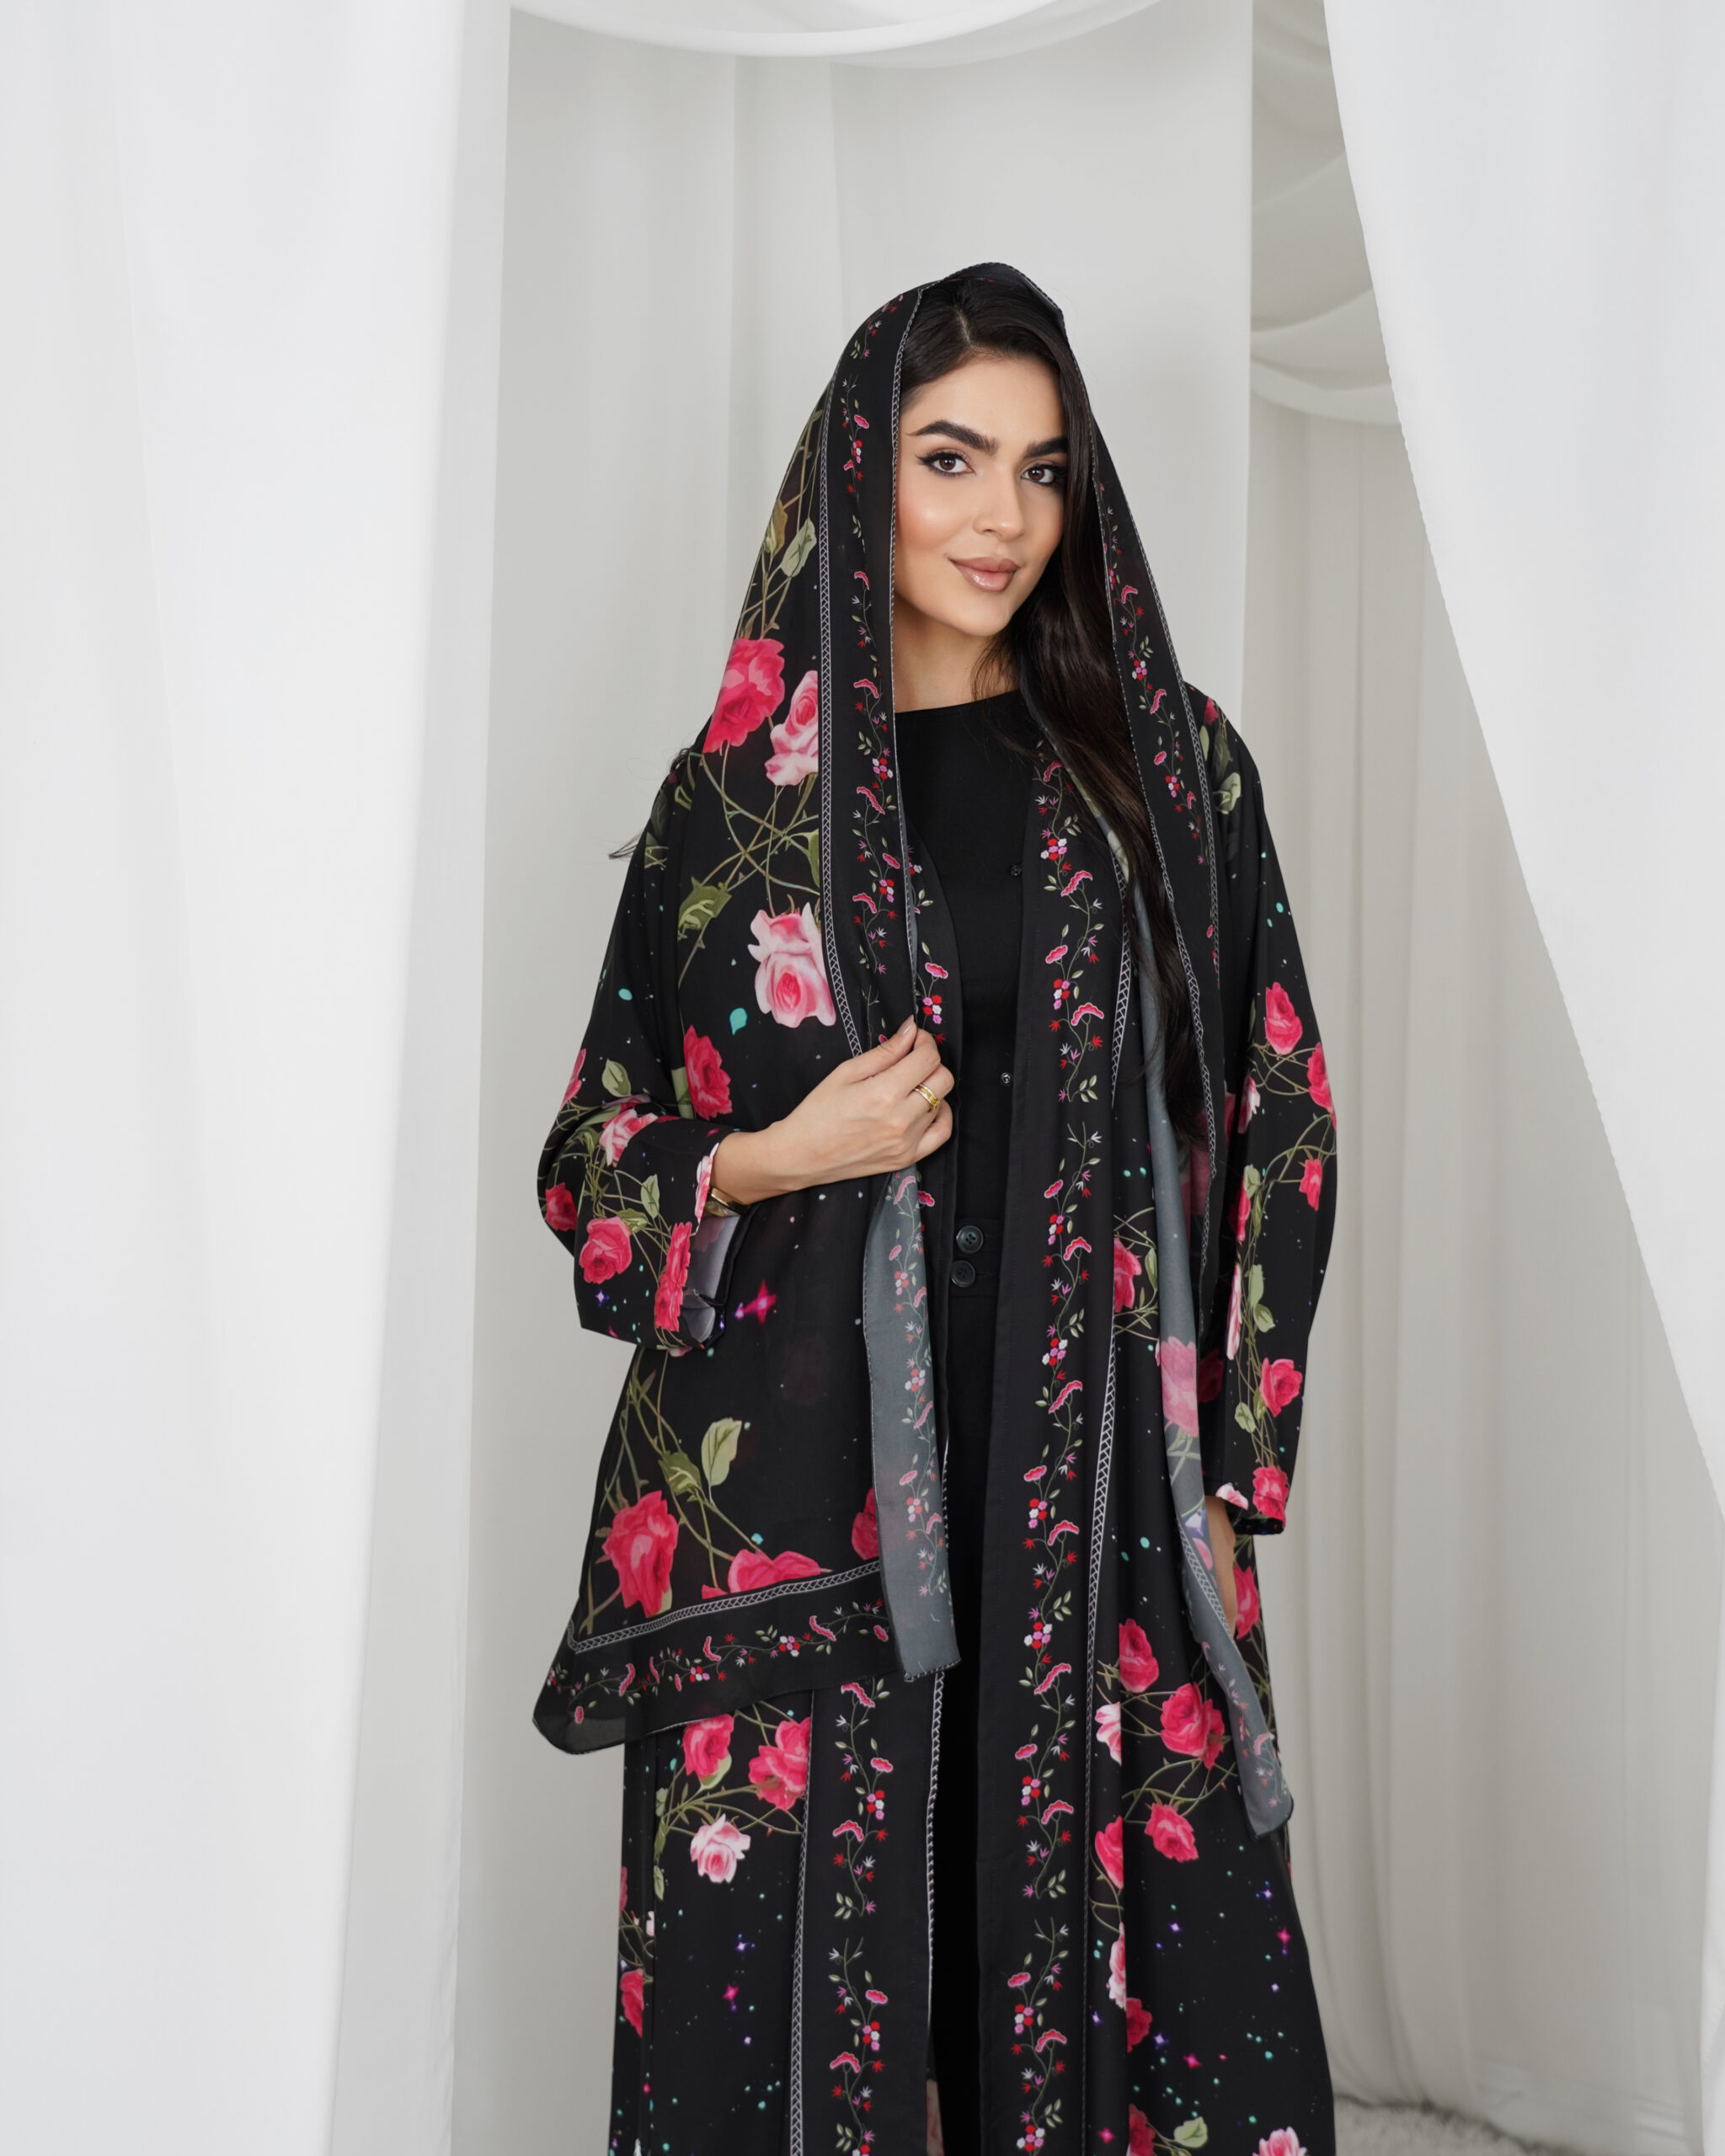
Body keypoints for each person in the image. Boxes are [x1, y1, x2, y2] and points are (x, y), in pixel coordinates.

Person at [536, 265, 1338, 2156]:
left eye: (1042, 470)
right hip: (810, 1502)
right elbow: (589, 1162)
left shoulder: (1168, 768)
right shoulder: (735, 804)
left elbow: (1280, 1110)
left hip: (1098, 1479)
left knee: (1114, 1954)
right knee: (816, 1967)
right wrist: (776, 1152)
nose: (1002, 518)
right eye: (950, 459)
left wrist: (1237, 1463)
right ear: (856, 476)